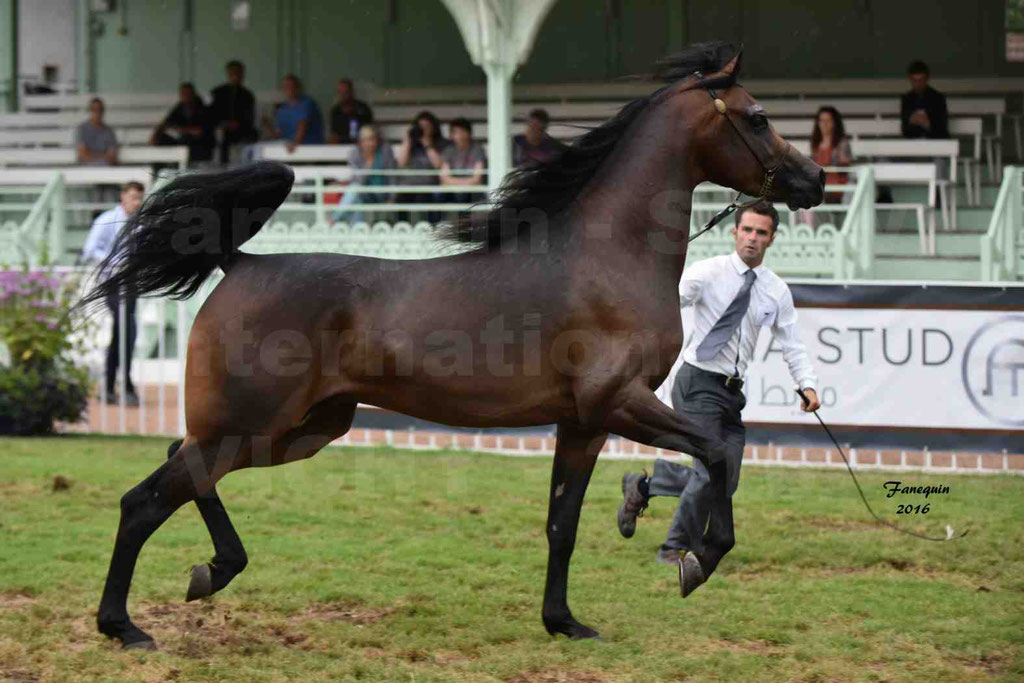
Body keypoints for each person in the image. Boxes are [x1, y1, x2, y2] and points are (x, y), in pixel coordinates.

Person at [616, 201, 821, 598]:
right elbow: (667, 297)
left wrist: (807, 385)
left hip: (731, 393)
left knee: (725, 480)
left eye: (761, 233)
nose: (752, 238)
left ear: (771, 239)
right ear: (735, 232)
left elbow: (792, 344)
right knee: (710, 473)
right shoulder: (709, 273)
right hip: (696, 383)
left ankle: (644, 486)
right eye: (747, 230)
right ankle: (674, 547)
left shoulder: (775, 290)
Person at [81, 181, 145, 406]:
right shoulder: (107, 220)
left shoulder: (140, 224)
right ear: (123, 197)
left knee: (124, 331)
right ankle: (123, 383)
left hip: (131, 281)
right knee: (126, 328)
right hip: (112, 282)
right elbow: (90, 250)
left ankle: (111, 384)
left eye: (139, 198)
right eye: (133, 197)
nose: (136, 202)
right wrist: (113, 262)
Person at [334, 124, 396, 223]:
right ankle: (357, 232)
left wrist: (392, 197)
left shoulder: (385, 151)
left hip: (381, 192)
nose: (369, 143)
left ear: (377, 139)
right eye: (365, 140)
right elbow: (359, 181)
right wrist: (368, 163)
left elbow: (392, 176)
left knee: (355, 192)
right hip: (364, 192)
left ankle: (335, 219)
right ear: (360, 142)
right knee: (356, 194)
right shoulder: (354, 153)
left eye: (372, 139)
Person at [396, 110, 448, 221]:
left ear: (434, 128)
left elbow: (438, 164)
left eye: (427, 126)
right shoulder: (411, 144)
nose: (423, 129)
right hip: (409, 186)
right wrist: (408, 140)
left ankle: (426, 231)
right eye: (420, 126)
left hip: (429, 186)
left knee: (423, 199)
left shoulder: (441, 143)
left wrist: (427, 145)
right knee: (400, 199)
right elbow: (402, 163)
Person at [804, 106, 853, 224]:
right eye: (821, 121)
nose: (824, 124)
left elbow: (844, 169)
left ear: (835, 123)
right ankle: (807, 231)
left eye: (828, 120)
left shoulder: (842, 143)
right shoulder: (815, 145)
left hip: (836, 189)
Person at [150, 82, 214, 164]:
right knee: (162, 139)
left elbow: (200, 131)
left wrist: (181, 129)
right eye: (183, 94)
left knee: (186, 140)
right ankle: (160, 171)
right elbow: (166, 123)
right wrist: (155, 135)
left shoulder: (204, 110)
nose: (186, 96)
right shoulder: (179, 108)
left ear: (193, 94)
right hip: (182, 143)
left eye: (188, 93)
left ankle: (180, 167)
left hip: (199, 146)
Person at [209, 60, 258, 165]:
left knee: (252, 136)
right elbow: (212, 114)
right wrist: (223, 123)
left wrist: (238, 124)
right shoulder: (218, 92)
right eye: (232, 72)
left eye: (238, 72)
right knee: (221, 136)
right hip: (222, 128)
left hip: (242, 128)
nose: (235, 75)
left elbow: (250, 117)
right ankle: (223, 167)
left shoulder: (247, 95)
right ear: (228, 73)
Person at [266, 74, 324, 151]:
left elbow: (302, 124)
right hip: (289, 150)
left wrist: (295, 143)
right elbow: (278, 134)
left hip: (309, 148)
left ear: (298, 88)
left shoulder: (307, 103)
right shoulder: (282, 109)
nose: (290, 89)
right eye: (286, 86)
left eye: (293, 86)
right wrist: (267, 125)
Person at [440, 117, 487, 205]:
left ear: (469, 133)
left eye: (462, 131)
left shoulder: (477, 149)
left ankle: (464, 219)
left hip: (472, 190)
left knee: (462, 194)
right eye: (456, 132)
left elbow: (477, 179)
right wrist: (462, 184)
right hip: (454, 189)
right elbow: (444, 178)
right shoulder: (448, 150)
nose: (459, 135)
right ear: (451, 135)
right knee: (438, 195)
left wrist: (456, 183)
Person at [901, 60, 949, 139]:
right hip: (914, 144)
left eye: (921, 80)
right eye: (914, 80)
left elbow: (943, 128)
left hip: (935, 142)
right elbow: (904, 130)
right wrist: (911, 122)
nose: (918, 84)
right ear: (910, 79)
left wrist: (928, 124)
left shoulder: (938, 98)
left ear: (926, 79)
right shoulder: (907, 99)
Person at [328, 78, 373, 145]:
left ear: (352, 92)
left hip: (361, 146)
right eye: (340, 92)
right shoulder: (335, 111)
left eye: (346, 92)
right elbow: (334, 135)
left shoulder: (363, 108)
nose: (343, 95)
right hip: (341, 147)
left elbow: (369, 131)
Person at [75, 97, 118, 166]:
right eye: (94, 109)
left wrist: (91, 155)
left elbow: (112, 157)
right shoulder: (82, 129)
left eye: (100, 109)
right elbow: (83, 155)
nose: (97, 113)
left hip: (106, 168)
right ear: (90, 111)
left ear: (103, 111)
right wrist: (104, 156)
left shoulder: (109, 131)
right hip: (86, 169)